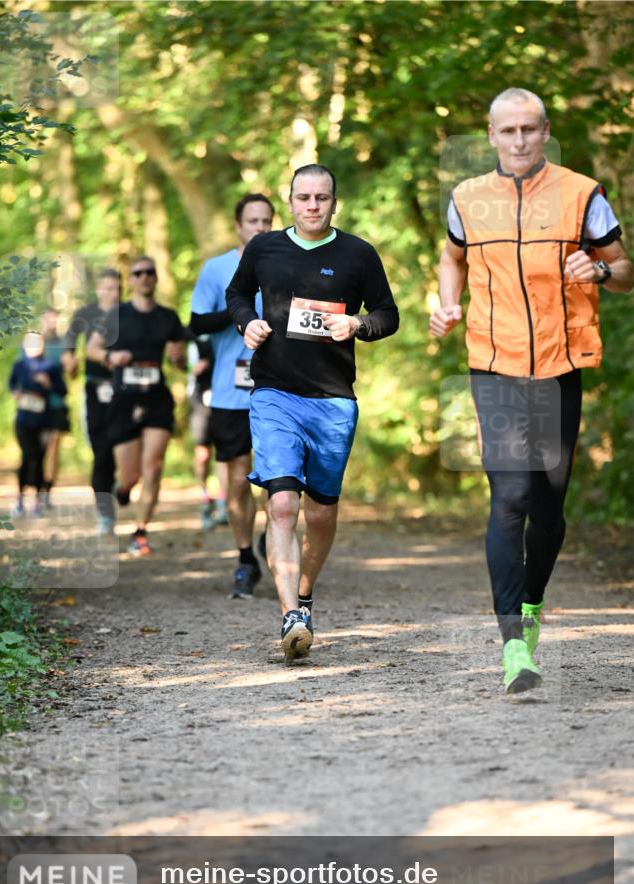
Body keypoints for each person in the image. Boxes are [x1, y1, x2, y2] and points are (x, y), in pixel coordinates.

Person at [429, 87, 633, 694]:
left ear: (545, 132)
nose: (518, 140)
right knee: (509, 496)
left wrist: (599, 269)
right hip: (494, 362)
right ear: (491, 135)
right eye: (508, 130)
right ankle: (513, 644)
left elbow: (625, 271)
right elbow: (452, 258)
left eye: (529, 129)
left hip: (558, 365)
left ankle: (532, 601)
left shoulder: (582, 194)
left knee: (547, 508)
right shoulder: (467, 198)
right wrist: (447, 303)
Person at [226, 165, 399, 657]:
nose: (313, 206)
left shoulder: (358, 254)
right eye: (304, 197)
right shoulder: (264, 248)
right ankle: (291, 617)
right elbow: (237, 294)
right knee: (282, 503)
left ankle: (304, 595)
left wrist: (359, 325)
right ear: (291, 201)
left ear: (334, 203)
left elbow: (388, 315)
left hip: (333, 401)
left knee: (320, 514)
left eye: (322, 197)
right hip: (274, 392)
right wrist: (247, 322)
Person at [190, 193, 275, 597]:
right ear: (238, 226)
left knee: (280, 481)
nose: (260, 227)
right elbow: (195, 324)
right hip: (230, 392)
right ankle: (245, 559)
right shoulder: (216, 269)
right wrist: (239, 309)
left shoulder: (286, 264)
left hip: (278, 389)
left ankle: (271, 537)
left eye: (266, 221)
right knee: (238, 484)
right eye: (252, 221)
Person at [86, 255, 186, 555]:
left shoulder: (168, 317)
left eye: (149, 272)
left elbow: (180, 358)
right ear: (130, 280)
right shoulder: (115, 315)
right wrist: (110, 357)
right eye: (138, 273)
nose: (144, 277)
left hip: (156, 397)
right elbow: (91, 348)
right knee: (130, 476)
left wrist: (179, 359)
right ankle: (122, 489)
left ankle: (140, 531)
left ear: (156, 277)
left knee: (153, 467)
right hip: (124, 399)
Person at [64, 268, 121, 534]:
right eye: (107, 288)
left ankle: (120, 485)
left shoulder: (128, 313)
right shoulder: (85, 314)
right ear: (98, 289)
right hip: (95, 389)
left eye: (117, 288)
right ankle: (105, 511)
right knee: (101, 452)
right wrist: (69, 360)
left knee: (122, 449)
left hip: (125, 390)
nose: (112, 294)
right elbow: (69, 342)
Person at [8, 332, 67, 516]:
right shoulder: (20, 365)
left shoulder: (50, 367)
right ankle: (20, 499)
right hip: (24, 419)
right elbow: (11, 384)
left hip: (44, 420)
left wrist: (48, 384)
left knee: (40, 458)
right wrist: (15, 393)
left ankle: (37, 501)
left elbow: (62, 390)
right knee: (28, 456)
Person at [185, 333, 230, 531]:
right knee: (202, 453)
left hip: (225, 396)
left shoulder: (229, 329)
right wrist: (192, 369)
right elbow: (180, 360)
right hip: (199, 399)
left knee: (224, 451)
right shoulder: (192, 332)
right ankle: (204, 495)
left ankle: (223, 500)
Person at [39, 307, 73, 506]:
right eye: (48, 319)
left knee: (53, 446)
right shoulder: (34, 343)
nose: (51, 322)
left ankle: (48, 490)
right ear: (42, 320)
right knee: (40, 448)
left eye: (54, 319)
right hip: (37, 405)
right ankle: (38, 487)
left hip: (57, 402)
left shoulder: (64, 344)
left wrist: (72, 365)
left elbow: (72, 372)